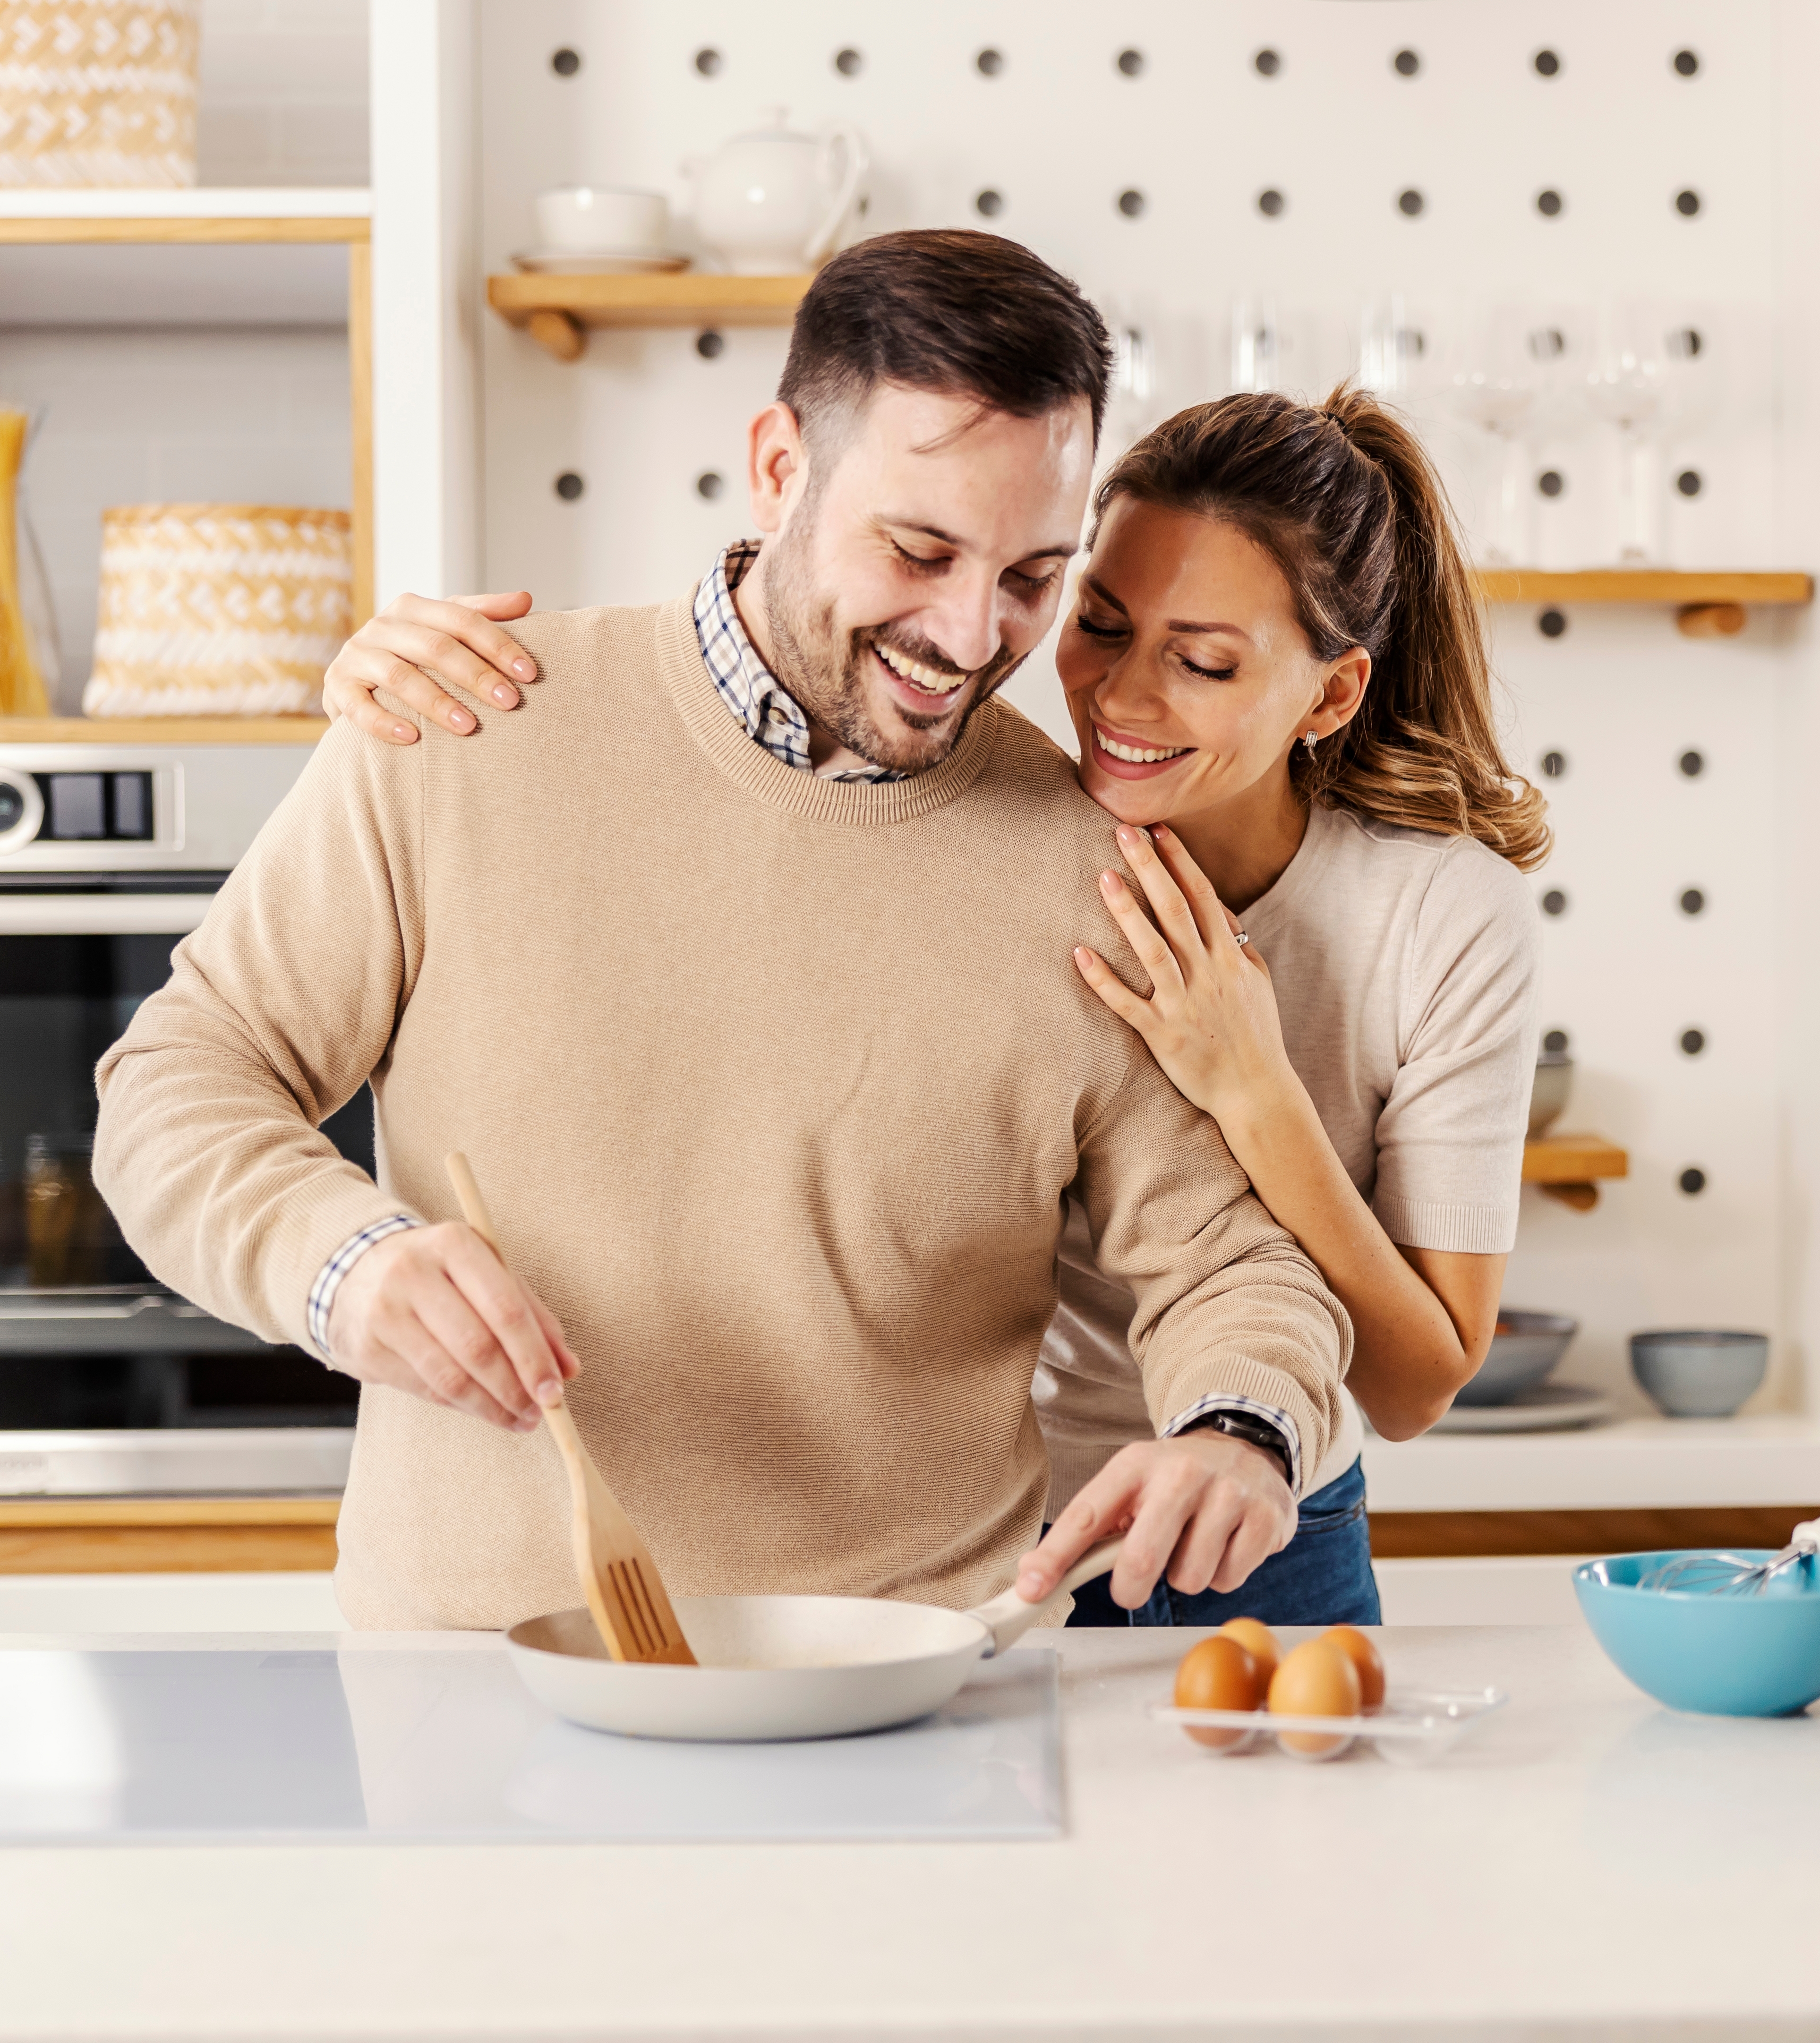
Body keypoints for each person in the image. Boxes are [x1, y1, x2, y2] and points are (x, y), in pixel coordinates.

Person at [94, 230, 1350, 1632]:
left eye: (1029, 577)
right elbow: (177, 1090)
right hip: (478, 1674)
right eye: (919, 549)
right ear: (777, 465)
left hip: (914, 1688)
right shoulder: (460, 730)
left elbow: (1232, 1263)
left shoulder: (1091, 870)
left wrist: (1240, 1430)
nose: (968, 632)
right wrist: (341, 1266)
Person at [320, 382, 1547, 1629]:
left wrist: (1251, 1086)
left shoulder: (1438, 921)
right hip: (1027, 1537)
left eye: (1204, 662)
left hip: (1260, 1502)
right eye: (1100, 624)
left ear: (1332, 696)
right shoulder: (1032, 835)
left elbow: (1408, 1380)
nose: (1121, 700)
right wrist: (379, 684)